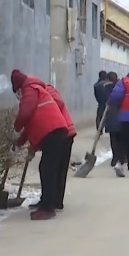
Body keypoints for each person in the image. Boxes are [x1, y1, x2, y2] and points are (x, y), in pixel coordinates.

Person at [11, 69, 70, 221]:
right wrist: (19, 143)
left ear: (19, 87)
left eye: (17, 91)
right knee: (47, 168)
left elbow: (25, 114)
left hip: (54, 132)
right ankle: (47, 203)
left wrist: (16, 126)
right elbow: (31, 125)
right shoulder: (35, 89)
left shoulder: (29, 88)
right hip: (55, 132)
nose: (18, 95)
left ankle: (48, 208)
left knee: (47, 169)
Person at [41, 83, 76, 211]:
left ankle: (50, 201)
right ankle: (56, 201)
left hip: (60, 132)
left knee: (50, 168)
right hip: (67, 131)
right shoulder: (51, 93)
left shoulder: (44, 96)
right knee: (60, 169)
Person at [103, 72, 127, 176]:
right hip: (122, 116)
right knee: (122, 139)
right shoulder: (123, 88)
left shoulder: (106, 89)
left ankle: (115, 158)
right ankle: (121, 158)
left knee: (114, 139)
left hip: (111, 116)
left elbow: (105, 101)